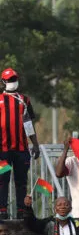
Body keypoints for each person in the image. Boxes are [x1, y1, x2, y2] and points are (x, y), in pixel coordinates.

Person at [0, 67, 38, 220]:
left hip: (21, 149)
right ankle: (2, 210)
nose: (12, 82)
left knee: (21, 180)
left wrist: (35, 143)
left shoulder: (24, 99)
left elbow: (28, 123)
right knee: (2, 179)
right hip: (2, 149)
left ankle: (21, 211)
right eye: (9, 80)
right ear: (3, 82)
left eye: (14, 79)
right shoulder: (0, 99)